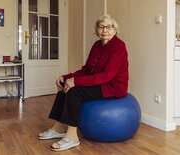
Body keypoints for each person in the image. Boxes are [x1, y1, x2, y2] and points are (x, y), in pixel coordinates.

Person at [38, 14, 129, 151]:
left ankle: (72, 136)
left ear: (115, 29)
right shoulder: (97, 45)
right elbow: (87, 70)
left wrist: (76, 81)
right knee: (66, 84)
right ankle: (59, 127)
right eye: (101, 27)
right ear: (97, 30)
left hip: (112, 87)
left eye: (109, 27)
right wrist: (66, 77)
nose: (105, 30)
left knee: (74, 90)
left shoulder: (119, 46)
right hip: (99, 82)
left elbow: (106, 76)